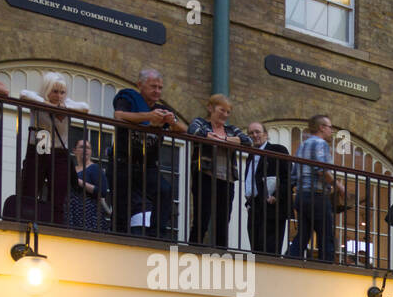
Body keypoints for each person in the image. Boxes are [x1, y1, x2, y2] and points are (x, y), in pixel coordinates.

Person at [111, 68, 186, 237]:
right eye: (153, 86)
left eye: (160, 87)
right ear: (140, 85)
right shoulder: (128, 98)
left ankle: (156, 234)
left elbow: (184, 130)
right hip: (124, 161)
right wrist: (149, 116)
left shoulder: (162, 109)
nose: (157, 91)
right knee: (122, 203)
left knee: (164, 191)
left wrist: (171, 121)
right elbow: (119, 115)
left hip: (148, 165)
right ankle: (117, 237)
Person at [188, 94, 252, 248]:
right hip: (205, 175)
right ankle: (192, 250)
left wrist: (219, 139)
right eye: (222, 110)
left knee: (223, 220)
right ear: (211, 108)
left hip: (227, 180)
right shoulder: (201, 123)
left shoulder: (231, 129)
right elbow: (195, 132)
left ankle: (221, 253)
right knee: (201, 217)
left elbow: (247, 141)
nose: (225, 114)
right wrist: (229, 141)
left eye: (228, 112)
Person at [18, 74, 82, 225]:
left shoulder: (66, 103)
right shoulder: (38, 98)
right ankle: (27, 223)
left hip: (60, 149)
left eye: (62, 92)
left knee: (58, 193)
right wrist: (48, 105)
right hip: (42, 143)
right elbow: (24, 94)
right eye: (55, 91)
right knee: (31, 189)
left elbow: (85, 107)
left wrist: (63, 107)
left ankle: (55, 225)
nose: (59, 96)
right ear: (47, 90)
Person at [289, 114, 343, 262]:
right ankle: (326, 269)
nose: (331, 131)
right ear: (322, 127)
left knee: (303, 235)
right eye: (330, 127)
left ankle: (289, 263)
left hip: (302, 195)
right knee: (326, 235)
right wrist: (339, 186)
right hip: (317, 195)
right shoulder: (321, 144)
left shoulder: (302, 145)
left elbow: (294, 174)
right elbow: (322, 169)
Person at [244, 122, 292, 255]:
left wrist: (277, 196)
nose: (254, 135)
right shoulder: (251, 155)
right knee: (256, 248)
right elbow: (250, 180)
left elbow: (288, 177)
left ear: (265, 134)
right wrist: (248, 203)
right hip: (254, 207)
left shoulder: (278, 150)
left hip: (273, 207)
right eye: (251, 133)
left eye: (257, 132)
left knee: (270, 251)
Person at [68, 139, 109, 231]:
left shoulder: (94, 168)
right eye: (82, 147)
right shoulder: (72, 169)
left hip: (89, 214)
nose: (85, 150)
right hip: (73, 212)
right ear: (74, 150)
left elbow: (102, 191)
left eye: (88, 148)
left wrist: (78, 181)